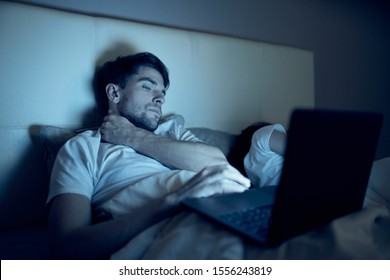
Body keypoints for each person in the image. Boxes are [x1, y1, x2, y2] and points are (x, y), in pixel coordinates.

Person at [46, 52, 286, 259]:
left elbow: (218, 165)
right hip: (176, 225)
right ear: (114, 94)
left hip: (236, 212)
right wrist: (170, 202)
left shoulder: (173, 132)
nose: (160, 98)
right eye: (148, 87)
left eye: (162, 92)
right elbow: (66, 246)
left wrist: (132, 136)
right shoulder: (81, 148)